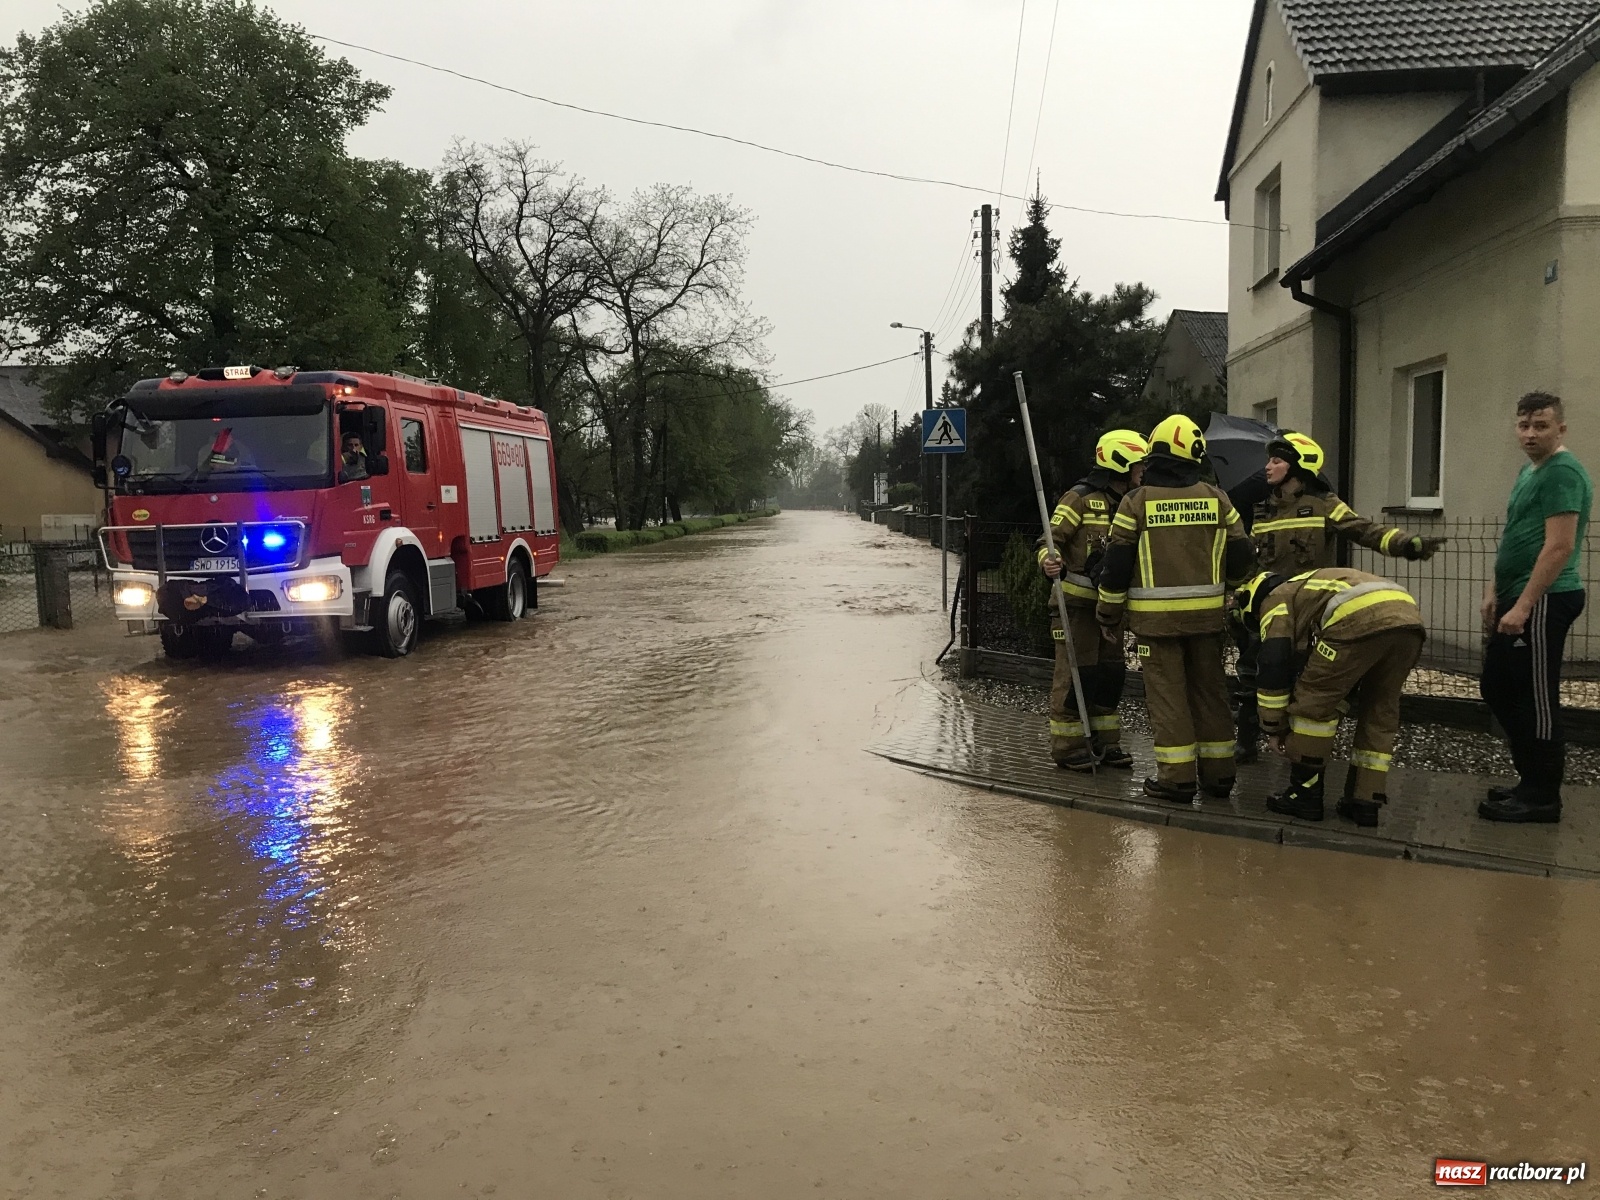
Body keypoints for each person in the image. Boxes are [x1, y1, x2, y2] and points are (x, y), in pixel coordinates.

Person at [1233, 430, 1444, 763]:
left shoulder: (1324, 504)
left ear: (1296, 468)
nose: (1268, 468)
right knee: (1252, 672)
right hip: (1268, 609)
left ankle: (1302, 752)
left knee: (1302, 683)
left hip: (1307, 611)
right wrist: (1241, 596)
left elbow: (1364, 530)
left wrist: (1406, 544)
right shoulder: (1262, 509)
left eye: (1276, 461)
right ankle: (1245, 742)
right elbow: (1251, 562)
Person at [1097, 414, 1256, 803]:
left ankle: (1177, 780)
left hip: (1156, 627)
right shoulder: (1219, 499)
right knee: (1211, 695)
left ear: (1158, 455)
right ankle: (1219, 778)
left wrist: (1107, 615)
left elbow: (1115, 569)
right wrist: (1229, 592)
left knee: (1169, 700)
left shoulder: (1136, 503)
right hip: (1208, 622)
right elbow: (1242, 561)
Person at [1233, 568, 1425, 826]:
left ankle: (1305, 795)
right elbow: (1344, 678)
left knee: (1312, 703)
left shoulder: (1274, 598)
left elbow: (1274, 661)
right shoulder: (1311, 588)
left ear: (1252, 601)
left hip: (1357, 620)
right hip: (1408, 621)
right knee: (1380, 711)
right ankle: (1365, 802)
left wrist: (1273, 727)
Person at [1478, 392, 1592, 823]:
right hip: (1516, 597)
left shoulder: (1562, 472)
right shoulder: (1531, 472)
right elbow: (1513, 536)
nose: (1530, 433)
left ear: (1560, 429)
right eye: (1524, 425)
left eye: (1540, 425)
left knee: (1536, 698)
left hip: (1546, 598)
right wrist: (1494, 590)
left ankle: (1543, 795)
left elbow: (1559, 546)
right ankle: (1529, 781)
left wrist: (1525, 604)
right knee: (1498, 687)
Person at [1037, 429, 1150, 771]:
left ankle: (1106, 743)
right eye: (1138, 464)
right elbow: (1048, 539)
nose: (1143, 470)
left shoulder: (1133, 503)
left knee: (1110, 678)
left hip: (1110, 611)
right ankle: (1068, 747)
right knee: (1075, 677)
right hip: (1075, 609)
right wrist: (1047, 559)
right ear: (1120, 463)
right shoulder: (1079, 499)